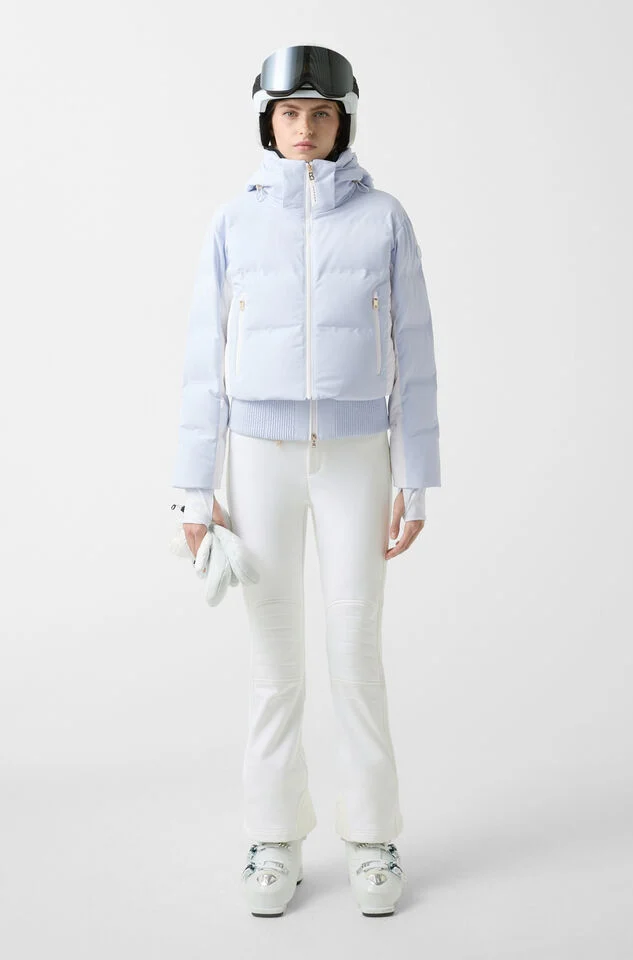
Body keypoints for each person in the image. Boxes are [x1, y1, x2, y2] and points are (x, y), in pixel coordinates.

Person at [170, 44, 441, 918]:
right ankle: (273, 838)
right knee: (274, 659)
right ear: (268, 119)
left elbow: (416, 354)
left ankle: (372, 838)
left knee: (355, 650)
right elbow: (202, 360)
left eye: (321, 114)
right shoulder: (233, 221)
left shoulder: (386, 219)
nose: (305, 129)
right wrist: (193, 487)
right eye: (289, 113)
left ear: (343, 121)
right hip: (258, 457)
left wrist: (417, 477)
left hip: (359, 456)